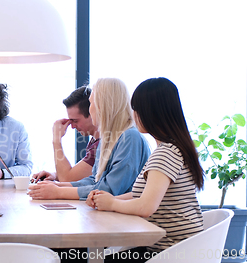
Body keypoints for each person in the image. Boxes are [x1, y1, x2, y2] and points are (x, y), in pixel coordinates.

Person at [87, 77, 204, 262]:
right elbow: (140, 194)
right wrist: (107, 199)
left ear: (150, 112)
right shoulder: (174, 148)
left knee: (101, 258)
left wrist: (111, 204)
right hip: (179, 247)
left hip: (172, 251)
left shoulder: (166, 153)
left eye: (136, 109)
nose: (133, 115)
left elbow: (145, 206)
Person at [28, 78, 150, 200]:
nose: (90, 109)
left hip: (127, 217)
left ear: (103, 105)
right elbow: (95, 180)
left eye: (91, 103)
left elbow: (110, 190)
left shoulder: (129, 137)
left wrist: (58, 192)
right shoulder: (108, 138)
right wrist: (57, 186)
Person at [32, 86, 100, 182]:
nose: (72, 126)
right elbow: (78, 175)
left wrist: (56, 140)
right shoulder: (94, 141)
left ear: (92, 114)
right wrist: (55, 175)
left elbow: (67, 179)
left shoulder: (100, 145)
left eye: (75, 121)